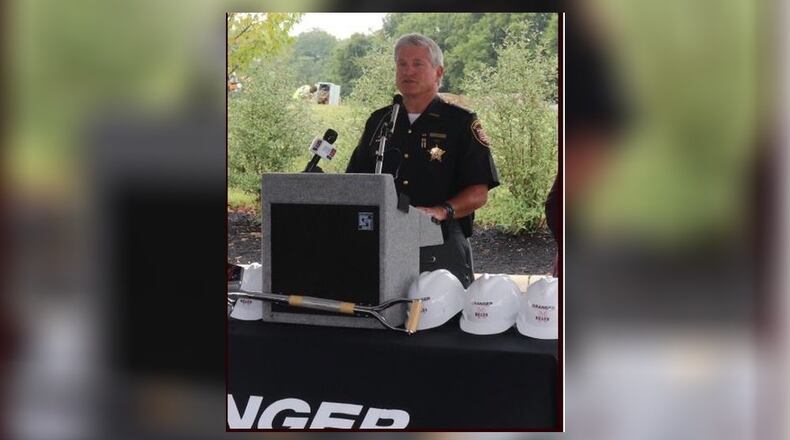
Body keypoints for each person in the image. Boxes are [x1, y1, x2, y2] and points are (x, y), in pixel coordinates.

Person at [346, 33, 499, 287]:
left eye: (418, 64)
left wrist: (442, 211)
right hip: (382, 241)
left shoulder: (461, 122)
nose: (409, 71)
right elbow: (355, 180)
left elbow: (478, 192)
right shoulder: (379, 121)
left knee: (442, 322)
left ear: (438, 72)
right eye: (402, 64)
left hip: (439, 241)